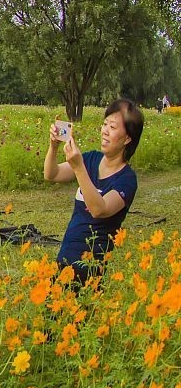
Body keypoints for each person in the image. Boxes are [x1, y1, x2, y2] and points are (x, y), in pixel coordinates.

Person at [44, 98, 142, 286]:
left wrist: (79, 168)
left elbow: (100, 209)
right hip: (65, 259)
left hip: (90, 269)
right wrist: (53, 146)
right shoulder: (91, 159)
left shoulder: (126, 179)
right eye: (104, 124)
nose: (104, 131)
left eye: (112, 127)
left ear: (128, 138)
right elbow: (52, 174)